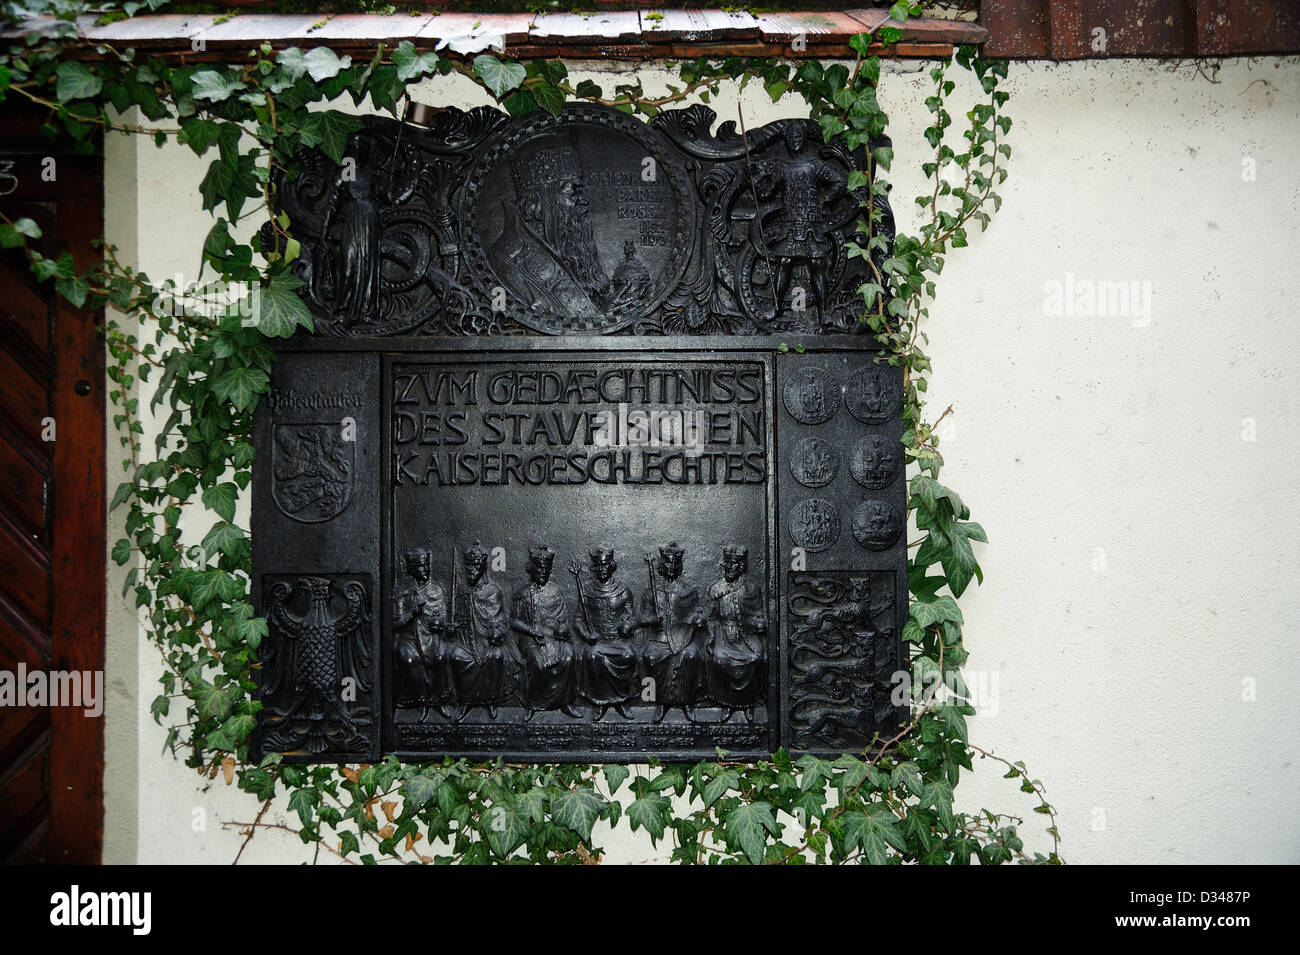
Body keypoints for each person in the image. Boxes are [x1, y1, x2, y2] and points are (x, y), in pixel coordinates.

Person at [638, 542, 709, 722]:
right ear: (662, 565)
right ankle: (660, 702)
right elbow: (641, 618)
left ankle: (687, 702)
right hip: (659, 637)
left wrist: (698, 620)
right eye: (668, 563)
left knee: (691, 656)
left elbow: (696, 614)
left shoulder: (688, 591)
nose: (672, 567)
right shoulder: (651, 591)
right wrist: (653, 619)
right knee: (651, 657)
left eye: (676, 563)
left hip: (682, 636)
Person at [512, 546, 581, 720]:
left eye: (546, 569)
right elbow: (514, 621)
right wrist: (532, 630)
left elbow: (563, 617)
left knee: (569, 656)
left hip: (554, 636)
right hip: (530, 637)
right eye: (539, 568)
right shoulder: (522, 594)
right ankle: (533, 703)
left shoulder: (555, 591)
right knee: (537, 663)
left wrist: (562, 629)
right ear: (532, 569)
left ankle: (565, 702)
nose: (542, 572)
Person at [572, 548, 640, 720]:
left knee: (629, 655)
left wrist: (627, 625)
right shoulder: (587, 591)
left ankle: (621, 700)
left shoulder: (623, 590)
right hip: (597, 641)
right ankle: (600, 701)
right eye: (598, 566)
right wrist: (587, 636)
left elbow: (632, 618)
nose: (602, 569)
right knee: (593, 656)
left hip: (618, 640)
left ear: (611, 566)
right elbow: (578, 619)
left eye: (605, 565)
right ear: (594, 568)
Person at [451, 541, 514, 721]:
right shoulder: (462, 591)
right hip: (466, 640)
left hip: (487, 641)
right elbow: (458, 619)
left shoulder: (493, 591)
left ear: (482, 568)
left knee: (496, 656)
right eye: (468, 566)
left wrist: (498, 632)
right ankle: (465, 701)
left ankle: (491, 700)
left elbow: (502, 620)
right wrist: (452, 628)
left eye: (475, 565)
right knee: (457, 656)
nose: (470, 570)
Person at [706, 545, 768, 722]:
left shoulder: (751, 589)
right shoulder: (716, 588)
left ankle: (747, 702)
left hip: (746, 635)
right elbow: (711, 617)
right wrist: (711, 636)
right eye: (727, 563)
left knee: (755, 658)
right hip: (724, 634)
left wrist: (759, 622)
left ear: (741, 566)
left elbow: (759, 614)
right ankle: (728, 703)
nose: (729, 567)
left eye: (733, 564)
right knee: (720, 658)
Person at [393, 548, 457, 719]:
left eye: (426, 565)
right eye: (421, 566)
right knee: (408, 659)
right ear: (413, 568)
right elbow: (396, 622)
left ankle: (440, 701)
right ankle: (421, 702)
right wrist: (412, 613)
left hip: (432, 635)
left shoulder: (436, 590)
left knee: (441, 657)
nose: (425, 569)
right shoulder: (404, 592)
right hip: (410, 638)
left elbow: (441, 617)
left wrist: (442, 626)